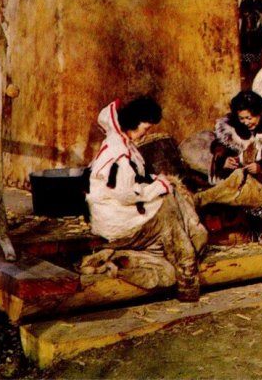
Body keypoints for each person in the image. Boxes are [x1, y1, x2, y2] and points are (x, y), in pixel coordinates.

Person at [86, 95, 208, 302]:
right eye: (146, 128)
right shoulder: (119, 154)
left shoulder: (121, 143)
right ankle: (187, 271)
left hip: (118, 213)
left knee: (169, 197)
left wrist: (155, 181)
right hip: (119, 220)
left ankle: (117, 260)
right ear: (134, 124)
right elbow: (125, 193)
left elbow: (135, 179)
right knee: (167, 211)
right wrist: (156, 188)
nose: (147, 132)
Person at [196, 90, 262, 248]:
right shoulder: (231, 131)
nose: (245, 122)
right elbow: (219, 152)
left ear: (260, 113)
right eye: (242, 118)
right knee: (233, 183)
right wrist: (224, 162)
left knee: (259, 199)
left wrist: (261, 168)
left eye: (249, 117)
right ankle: (205, 200)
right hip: (239, 180)